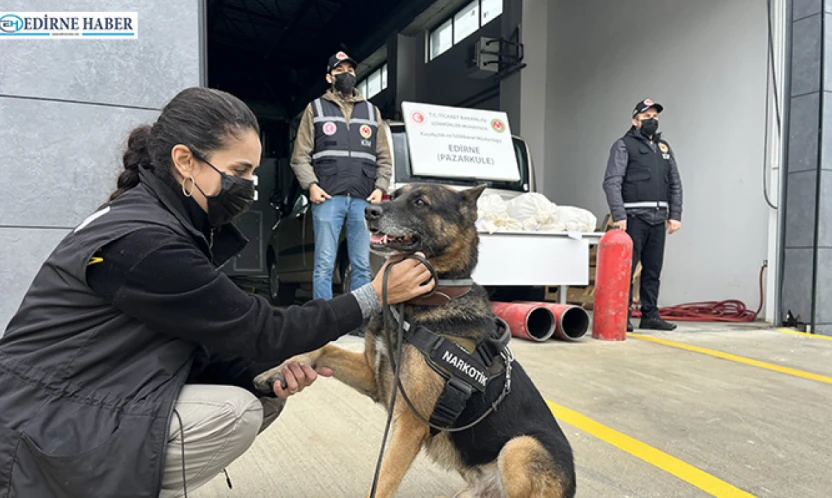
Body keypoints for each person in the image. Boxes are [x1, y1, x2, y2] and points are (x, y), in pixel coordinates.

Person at [0, 87, 433, 498]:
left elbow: (192, 344)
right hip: (36, 424)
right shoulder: (146, 241)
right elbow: (261, 328)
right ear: (185, 161)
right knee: (234, 414)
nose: (248, 185)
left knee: (258, 392)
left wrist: (259, 375)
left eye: (252, 172)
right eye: (238, 172)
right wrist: (374, 293)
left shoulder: (157, 218)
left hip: (74, 393)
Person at [290, 51, 393, 302]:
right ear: (329, 77)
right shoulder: (315, 109)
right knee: (324, 263)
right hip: (327, 198)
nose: (346, 75)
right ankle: (323, 321)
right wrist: (311, 186)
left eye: (350, 70)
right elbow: (300, 156)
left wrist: (380, 187)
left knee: (361, 264)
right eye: (339, 71)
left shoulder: (371, 112)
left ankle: (358, 318)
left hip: (363, 199)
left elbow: (384, 157)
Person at [603, 99, 683, 332]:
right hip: (633, 219)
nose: (652, 121)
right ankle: (622, 316)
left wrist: (675, 215)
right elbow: (612, 182)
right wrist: (619, 215)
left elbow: (675, 184)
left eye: (655, 117)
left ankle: (650, 315)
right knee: (626, 271)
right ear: (635, 121)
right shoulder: (623, 146)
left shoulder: (664, 148)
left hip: (659, 219)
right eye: (647, 117)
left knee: (652, 271)